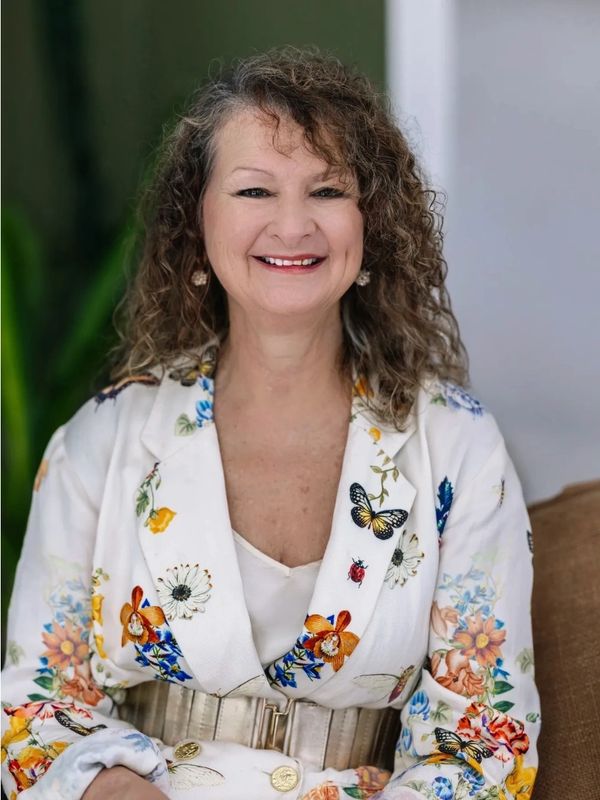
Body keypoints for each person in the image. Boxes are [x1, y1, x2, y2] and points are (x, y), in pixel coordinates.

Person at [1, 47, 540, 800]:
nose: (292, 224)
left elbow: (484, 741)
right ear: (197, 225)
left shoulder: (458, 448)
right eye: (255, 189)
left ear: (372, 224)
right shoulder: (100, 443)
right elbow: (32, 713)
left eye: (327, 190)